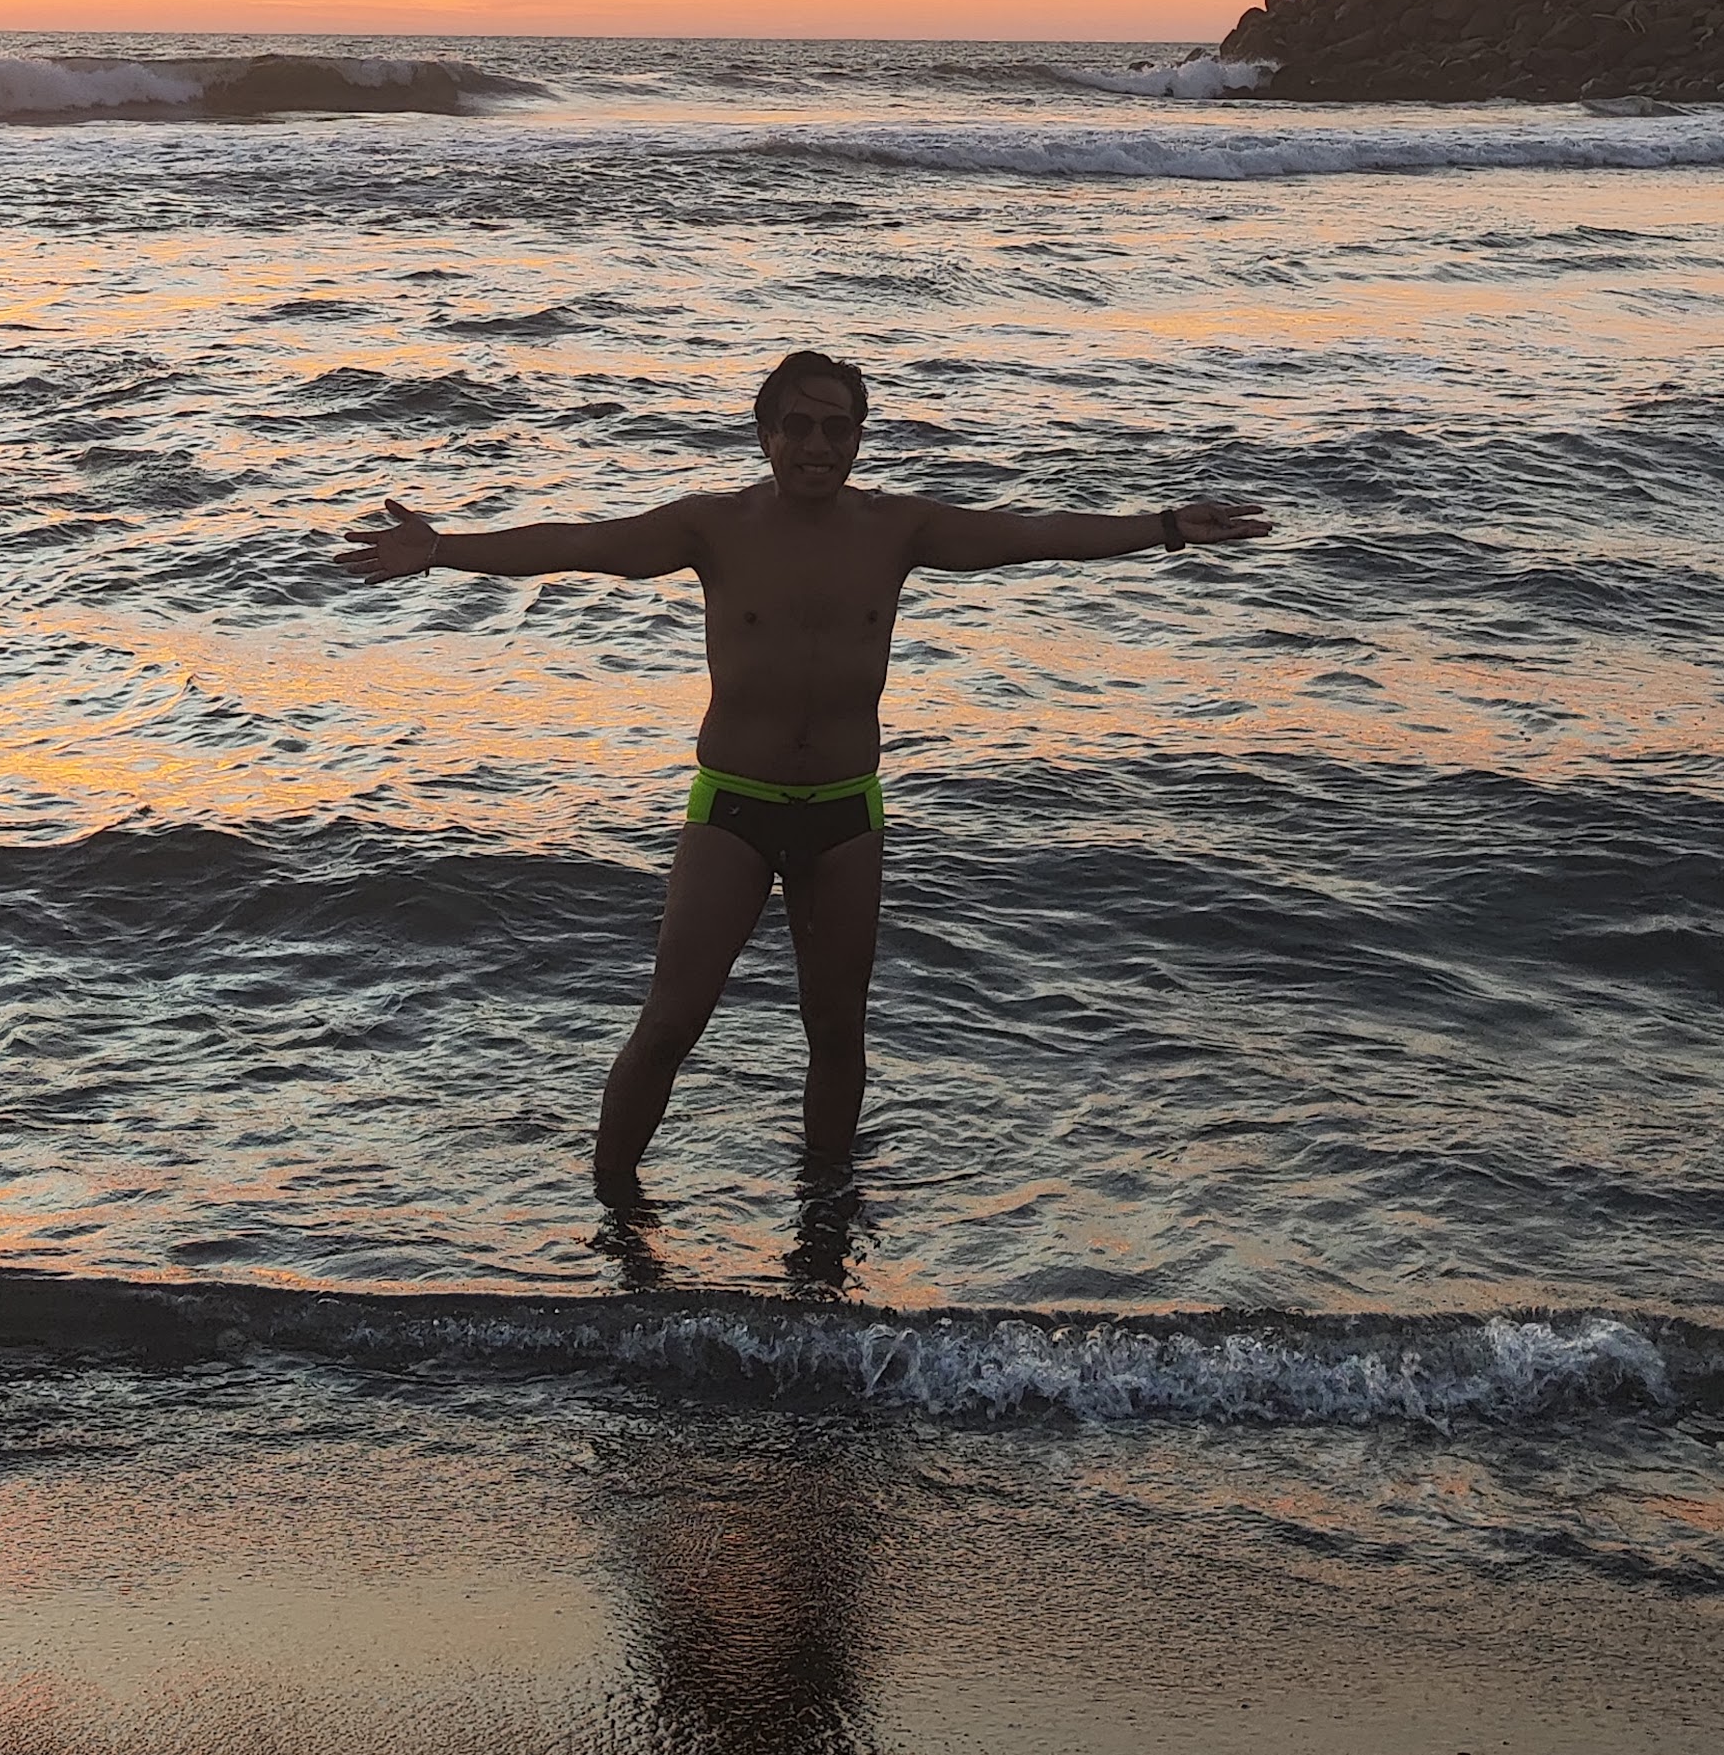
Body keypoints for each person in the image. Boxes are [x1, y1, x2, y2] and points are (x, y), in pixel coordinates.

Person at [334, 348, 1269, 1197]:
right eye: (800, 426)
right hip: (732, 810)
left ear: (859, 438)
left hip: (846, 816)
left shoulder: (897, 530)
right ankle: (612, 1206)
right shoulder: (713, 528)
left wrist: (1162, 527)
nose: (818, 446)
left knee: (836, 1031)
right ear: (766, 434)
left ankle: (823, 1211)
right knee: (670, 1024)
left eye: (839, 428)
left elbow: (1028, 534)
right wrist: (444, 551)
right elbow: (584, 543)